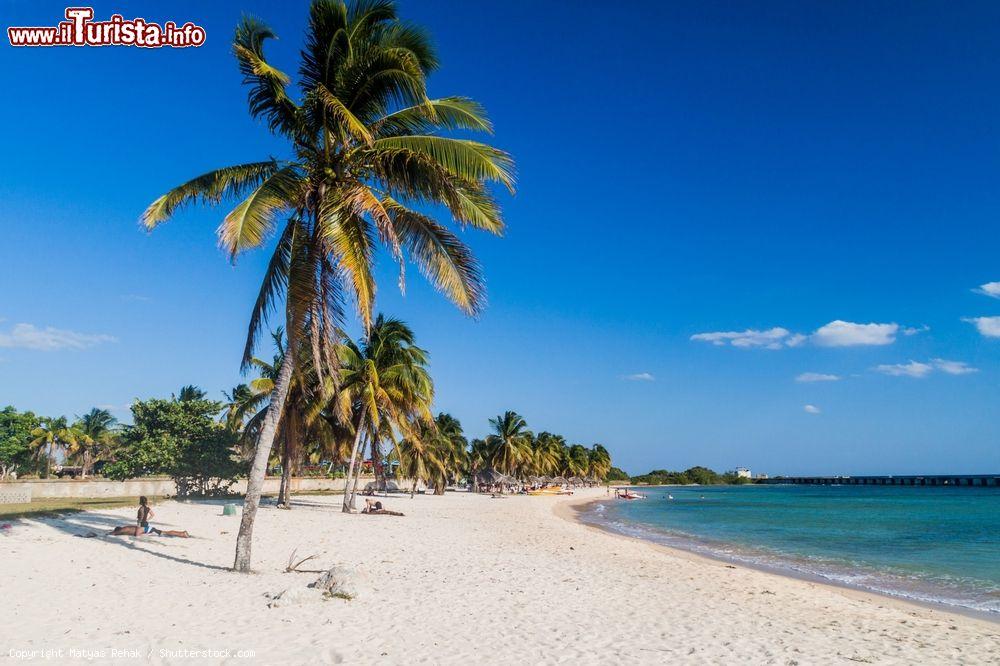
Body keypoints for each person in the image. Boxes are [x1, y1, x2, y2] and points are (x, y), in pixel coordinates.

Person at [108, 497, 190, 537]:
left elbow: (140, 519)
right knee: (164, 532)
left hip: (143, 526)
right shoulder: (147, 508)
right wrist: (147, 519)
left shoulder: (125, 528)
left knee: (164, 532)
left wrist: (108, 533)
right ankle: (182, 533)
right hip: (146, 525)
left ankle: (182, 534)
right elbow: (152, 515)